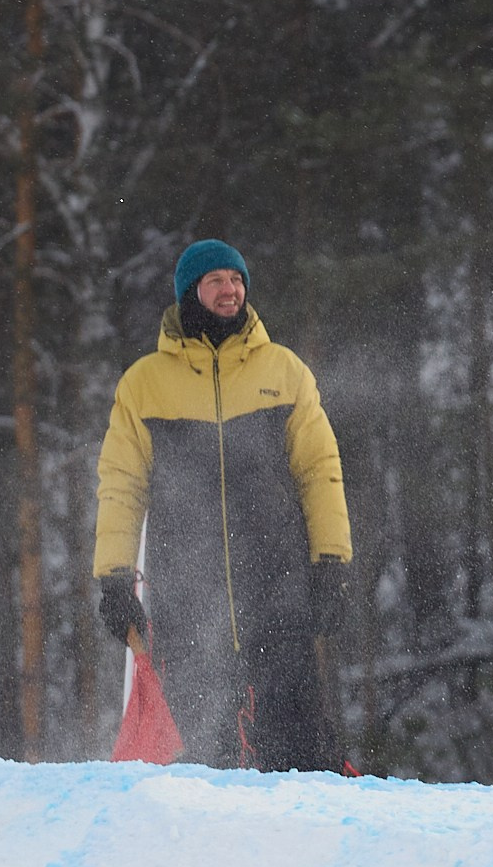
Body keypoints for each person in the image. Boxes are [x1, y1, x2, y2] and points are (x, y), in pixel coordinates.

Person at [92, 239, 352, 770]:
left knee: (298, 756)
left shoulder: (285, 371)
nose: (230, 290)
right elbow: (121, 486)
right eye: (215, 281)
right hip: (185, 598)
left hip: (277, 589)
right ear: (190, 292)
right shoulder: (143, 385)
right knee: (201, 761)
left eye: (236, 280)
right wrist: (114, 579)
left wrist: (331, 560)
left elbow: (320, 472)